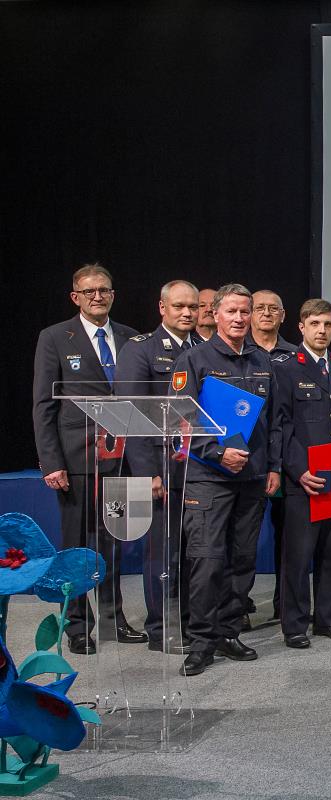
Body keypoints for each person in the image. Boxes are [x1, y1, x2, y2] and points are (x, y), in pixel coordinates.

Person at [33, 263, 144, 655]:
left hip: (123, 461)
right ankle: (78, 626)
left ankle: (114, 620)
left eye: (105, 290)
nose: (98, 296)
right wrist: (51, 462)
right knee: (78, 549)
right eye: (90, 291)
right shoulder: (54, 337)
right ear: (75, 297)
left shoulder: (132, 338)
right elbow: (43, 406)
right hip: (77, 462)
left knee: (114, 544)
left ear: (113, 294)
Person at [173, 284, 281, 676]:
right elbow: (180, 420)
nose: (238, 318)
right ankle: (201, 641)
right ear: (215, 314)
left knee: (242, 560)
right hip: (208, 478)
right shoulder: (193, 359)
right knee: (206, 560)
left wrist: (274, 467)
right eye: (231, 311)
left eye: (244, 312)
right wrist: (218, 453)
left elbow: (275, 420)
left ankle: (228, 632)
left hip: (252, 478)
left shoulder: (262, 360)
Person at [113, 279, 201, 653]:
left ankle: (190, 622)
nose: (187, 313)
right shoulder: (141, 349)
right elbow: (130, 415)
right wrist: (148, 472)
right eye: (179, 306)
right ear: (162, 308)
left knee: (194, 550)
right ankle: (161, 627)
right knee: (163, 553)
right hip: (160, 469)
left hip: (198, 467)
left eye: (193, 307)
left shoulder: (202, 348)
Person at [272, 299, 331, 649]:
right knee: (298, 557)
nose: (322, 331)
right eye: (315, 324)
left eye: (327, 324)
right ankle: (295, 625)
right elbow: (281, 425)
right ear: (301, 327)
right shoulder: (286, 368)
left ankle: (328, 619)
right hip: (305, 476)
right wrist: (298, 470)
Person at [251, 289, 297, 625]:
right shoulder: (237, 352)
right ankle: (237, 606)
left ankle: (286, 605)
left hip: (289, 461)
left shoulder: (295, 356)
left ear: (283, 316)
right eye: (260, 308)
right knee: (242, 540)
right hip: (248, 458)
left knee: (289, 537)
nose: (266, 313)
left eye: (273, 309)